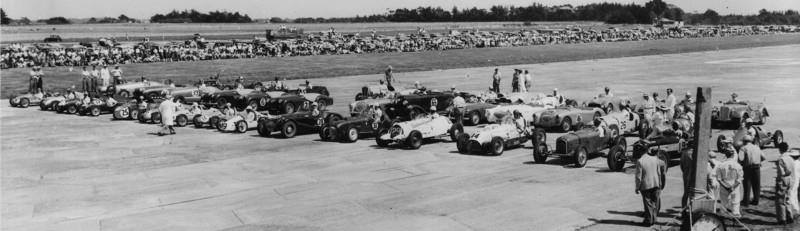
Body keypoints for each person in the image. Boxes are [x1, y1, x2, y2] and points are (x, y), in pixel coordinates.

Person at [635, 147, 667, 226]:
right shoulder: (655, 159)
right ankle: (654, 219)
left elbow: (638, 177)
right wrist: (661, 183)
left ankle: (649, 221)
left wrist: (637, 187)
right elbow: (659, 170)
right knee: (655, 202)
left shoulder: (640, 161)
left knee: (648, 203)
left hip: (646, 185)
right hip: (656, 183)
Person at [716, 138, 744, 217]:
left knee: (724, 202)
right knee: (735, 201)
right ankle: (735, 216)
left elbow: (719, 178)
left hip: (724, 184)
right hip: (734, 185)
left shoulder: (721, 165)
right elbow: (740, 178)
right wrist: (732, 187)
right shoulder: (738, 166)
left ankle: (724, 215)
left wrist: (725, 186)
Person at [739, 135, 764, 206]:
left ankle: (746, 202)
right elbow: (763, 157)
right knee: (756, 184)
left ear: (744, 141)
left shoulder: (743, 148)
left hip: (747, 168)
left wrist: (742, 163)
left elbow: (741, 159)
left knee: (747, 184)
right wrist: (758, 160)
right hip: (757, 167)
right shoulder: (757, 147)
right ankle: (756, 200)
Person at [776, 142, 795, 224]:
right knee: (787, 198)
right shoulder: (790, 158)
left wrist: (778, 180)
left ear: (780, 149)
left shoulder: (781, 159)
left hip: (783, 179)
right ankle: (790, 216)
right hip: (790, 179)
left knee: (780, 200)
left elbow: (782, 172)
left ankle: (782, 219)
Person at [789, 147, 800, 213]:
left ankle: (794, 210)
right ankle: (797, 208)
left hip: (792, 180)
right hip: (797, 180)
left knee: (791, 195)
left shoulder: (792, 163)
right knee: (795, 194)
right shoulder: (798, 162)